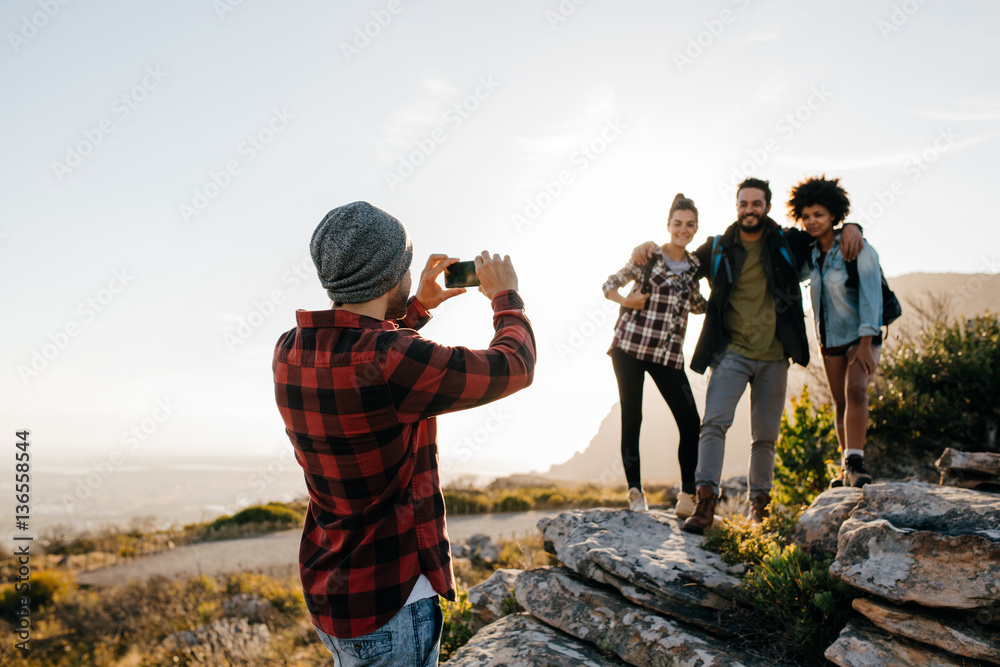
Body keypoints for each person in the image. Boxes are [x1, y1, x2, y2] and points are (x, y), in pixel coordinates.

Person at [272, 201, 535, 666]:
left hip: (330, 592)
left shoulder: (291, 349)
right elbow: (514, 367)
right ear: (391, 274)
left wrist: (417, 309)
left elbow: (366, 369)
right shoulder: (393, 358)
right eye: (407, 268)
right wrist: (505, 297)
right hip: (393, 602)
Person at [632, 178, 863, 533]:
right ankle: (704, 503)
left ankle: (759, 509)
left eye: (756, 203)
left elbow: (824, 232)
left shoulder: (787, 241)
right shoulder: (719, 247)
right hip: (730, 354)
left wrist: (852, 226)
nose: (749, 209)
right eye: (744, 203)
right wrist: (649, 246)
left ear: (767, 207)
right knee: (713, 425)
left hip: (774, 356)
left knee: (765, 437)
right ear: (737, 206)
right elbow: (678, 258)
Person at [602, 193, 706, 516]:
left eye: (690, 225)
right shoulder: (648, 256)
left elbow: (697, 304)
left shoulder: (694, 268)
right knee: (633, 418)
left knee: (691, 422)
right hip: (630, 348)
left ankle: (687, 497)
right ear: (668, 225)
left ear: (696, 228)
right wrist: (626, 302)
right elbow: (608, 285)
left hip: (668, 355)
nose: (683, 230)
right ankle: (635, 493)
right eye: (678, 223)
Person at [787, 176, 882, 488]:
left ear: (834, 216)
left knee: (856, 391)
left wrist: (867, 342)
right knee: (839, 401)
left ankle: (856, 463)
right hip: (829, 339)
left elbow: (872, 295)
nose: (813, 221)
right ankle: (846, 468)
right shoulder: (812, 255)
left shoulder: (857, 247)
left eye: (820, 215)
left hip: (861, 335)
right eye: (807, 216)